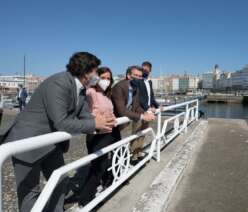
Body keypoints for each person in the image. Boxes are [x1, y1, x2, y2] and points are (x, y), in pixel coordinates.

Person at [1, 52, 116, 212]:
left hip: (51, 143)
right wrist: (94, 123)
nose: (98, 76)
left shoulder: (82, 88)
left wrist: (102, 122)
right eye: (96, 72)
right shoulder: (59, 83)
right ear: (85, 71)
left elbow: (85, 116)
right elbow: (61, 121)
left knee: (60, 182)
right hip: (27, 141)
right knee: (30, 193)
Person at [79, 67, 119, 206]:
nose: (106, 81)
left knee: (101, 166)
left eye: (108, 78)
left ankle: (91, 194)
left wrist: (113, 119)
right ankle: (85, 200)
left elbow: (111, 112)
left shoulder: (107, 96)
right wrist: (99, 119)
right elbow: (85, 113)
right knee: (97, 167)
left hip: (108, 134)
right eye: (103, 78)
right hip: (96, 135)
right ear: (97, 78)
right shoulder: (91, 92)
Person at [111, 66, 155, 164]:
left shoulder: (135, 87)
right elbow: (122, 110)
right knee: (111, 148)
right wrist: (142, 116)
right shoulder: (120, 87)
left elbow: (136, 106)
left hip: (120, 123)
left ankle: (120, 167)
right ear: (128, 76)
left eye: (140, 76)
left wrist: (146, 113)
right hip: (112, 121)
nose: (138, 78)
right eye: (135, 75)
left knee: (117, 147)